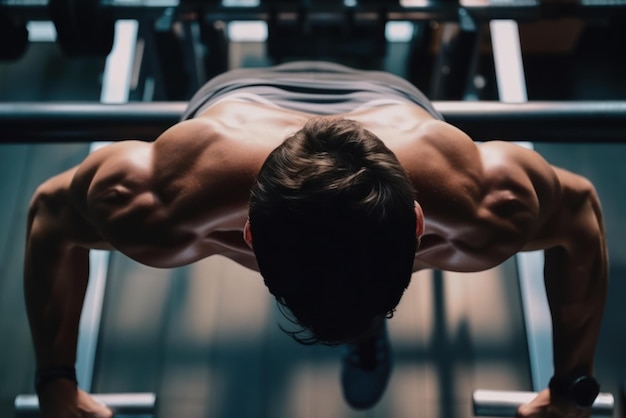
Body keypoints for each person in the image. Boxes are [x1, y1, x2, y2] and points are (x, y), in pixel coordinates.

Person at [24, 61, 607, 418]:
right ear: (420, 226)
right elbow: (46, 214)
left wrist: (570, 391)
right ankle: (362, 319)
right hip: (242, 95)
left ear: (247, 238)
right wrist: (56, 383)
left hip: (387, 102)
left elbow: (583, 212)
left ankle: (358, 320)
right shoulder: (156, 199)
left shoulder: (485, 201)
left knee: (345, 268)